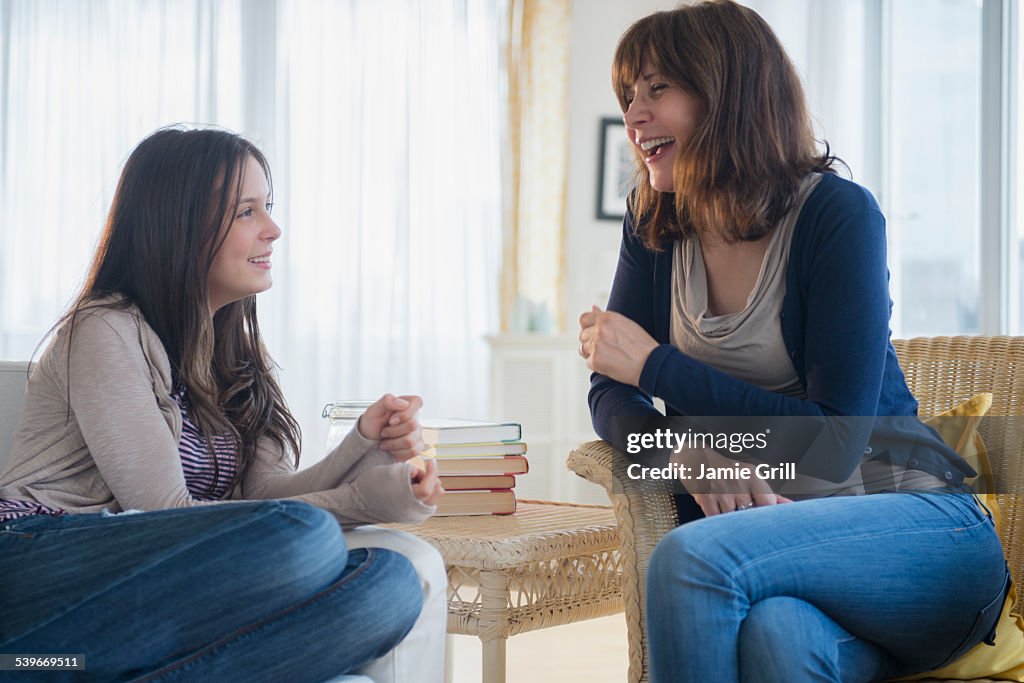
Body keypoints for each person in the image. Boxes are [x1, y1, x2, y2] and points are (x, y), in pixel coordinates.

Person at [578, 2, 1011, 681]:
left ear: (727, 90)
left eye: (658, 88)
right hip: (787, 561)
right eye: (628, 95)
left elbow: (836, 445)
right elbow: (609, 386)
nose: (634, 115)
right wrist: (682, 450)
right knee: (777, 641)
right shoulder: (655, 222)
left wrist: (657, 364)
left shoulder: (836, 215)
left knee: (692, 558)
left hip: (920, 530)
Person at [0, 126, 447, 682]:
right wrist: (358, 501)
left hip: (155, 582)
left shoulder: (239, 355)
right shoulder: (105, 330)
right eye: (246, 212)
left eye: (269, 208)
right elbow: (166, 515)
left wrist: (365, 445)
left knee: (388, 585)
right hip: (37, 557)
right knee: (303, 539)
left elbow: (265, 495)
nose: (274, 229)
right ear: (178, 227)